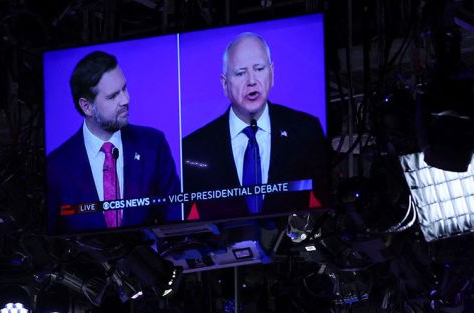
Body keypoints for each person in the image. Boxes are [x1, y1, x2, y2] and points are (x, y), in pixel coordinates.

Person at [180, 32, 331, 220]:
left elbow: (329, 204)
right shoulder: (194, 148)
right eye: (240, 73)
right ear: (225, 84)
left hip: (289, 245)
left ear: (272, 73)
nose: (252, 81)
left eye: (259, 69)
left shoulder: (305, 130)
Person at [46, 51, 181, 231]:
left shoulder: (153, 145)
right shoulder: (56, 167)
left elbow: (176, 216)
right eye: (112, 96)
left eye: (124, 88)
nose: (126, 100)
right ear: (87, 107)